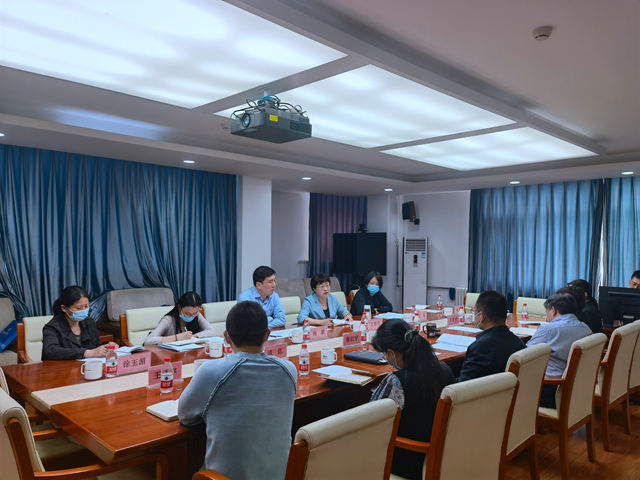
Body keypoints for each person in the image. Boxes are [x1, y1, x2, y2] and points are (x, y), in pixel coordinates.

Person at [178, 301, 297, 480]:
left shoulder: (211, 371)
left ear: (226, 336)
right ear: (267, 334)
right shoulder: (289, 370)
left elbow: (185, 415)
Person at [371, 319, 455, 480]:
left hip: (406, 460)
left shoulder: (397, 380)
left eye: (384, 353)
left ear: (392, 353)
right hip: (442, 455)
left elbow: (372, 422)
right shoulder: (445, 369)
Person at [527, 293, 592, 408]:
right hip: (576, 386)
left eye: (546, 312)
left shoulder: (547, 329)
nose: (546, 317)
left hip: (549, 388)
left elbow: (525, 356)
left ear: (553, 310)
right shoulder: (585, 328)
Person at [457, 290, 525, 382]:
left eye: (474, 311)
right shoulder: (519, 343)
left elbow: (463, 385)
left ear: (481, 316)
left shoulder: (479, 348)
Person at [42, 286, 116, 360]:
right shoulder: (52, 328)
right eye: (79, 308)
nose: (84, 310)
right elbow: (51, 351)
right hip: (62, 366)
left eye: (86, 306)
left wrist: (106, 348)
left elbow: (96, 346)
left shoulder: (89, 322)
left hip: (87, 365)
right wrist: (86, 353)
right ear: (64, 308)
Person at [144, 292, 216, 345]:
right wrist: (177, 337)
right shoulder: (168, 320)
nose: (191, 316)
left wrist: (192, 336)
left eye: (195, 313)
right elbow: (149, 341)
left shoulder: (197, 315)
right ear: (179, 307)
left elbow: (212, 331)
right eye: (187, 313)